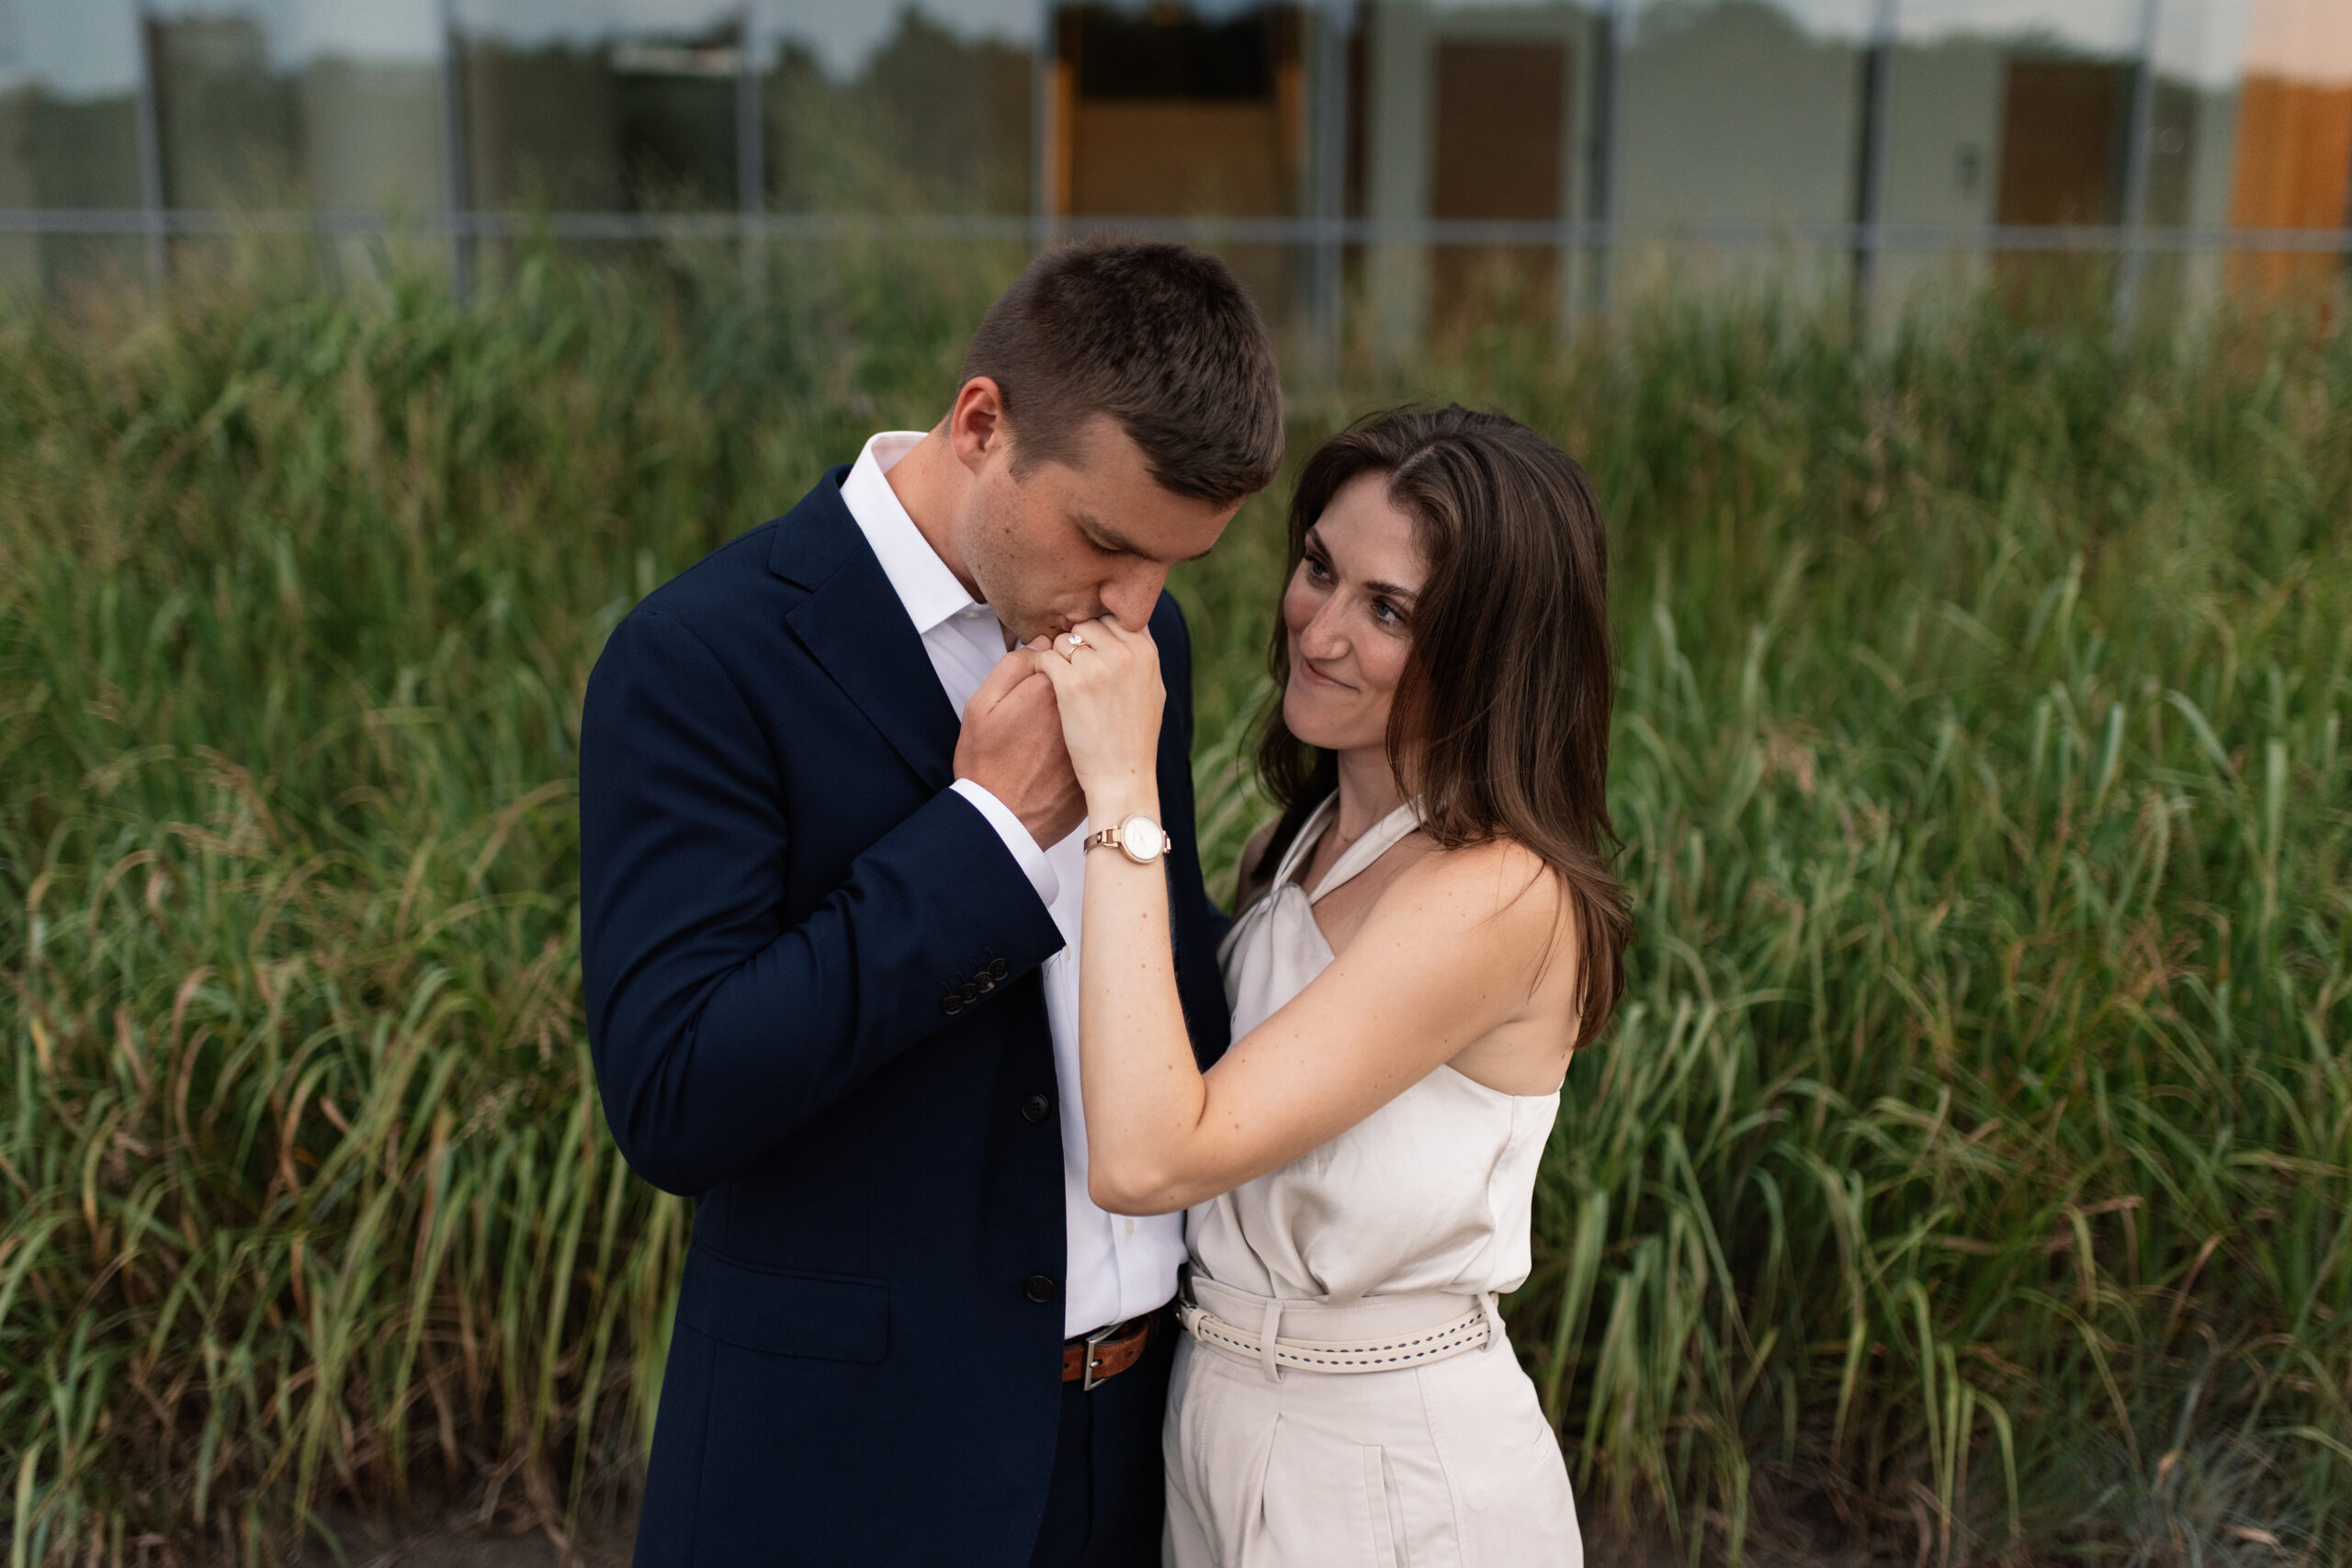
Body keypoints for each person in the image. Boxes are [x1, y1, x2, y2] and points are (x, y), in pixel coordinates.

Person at [577, 238, 1282, 1565]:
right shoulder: (701, 656)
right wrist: (986, 833)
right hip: (848, 1468)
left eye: (1177, 566)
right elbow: (673, 1093)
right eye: (1109, 543)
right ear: (980, 424)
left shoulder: (1146, 642)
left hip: (1144, 1447)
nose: (1136, 604)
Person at [1022, 404, 1630, 1566]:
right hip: (1214, 1423)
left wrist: (1121, 792)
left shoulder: (1494, 893)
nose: (1320, 629)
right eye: (1318, 569)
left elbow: (1150, 1156)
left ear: (1493, 651)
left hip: (1390, 1466)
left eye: (1387, 610)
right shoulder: (1291, 850)